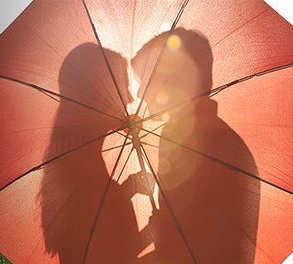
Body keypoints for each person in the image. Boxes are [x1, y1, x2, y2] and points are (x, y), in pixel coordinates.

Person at [131, 28, 260, 263]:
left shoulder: (186, 141)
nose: (140, 93)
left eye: (148, 79)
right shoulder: (215, 136)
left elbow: (182, 249)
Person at [38, 43, 142, 263]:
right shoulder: (83, 171)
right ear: (100, 91)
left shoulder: (77, 161)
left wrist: (127, 189)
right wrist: (161, 230)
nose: (131, 98)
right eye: (124, 86)